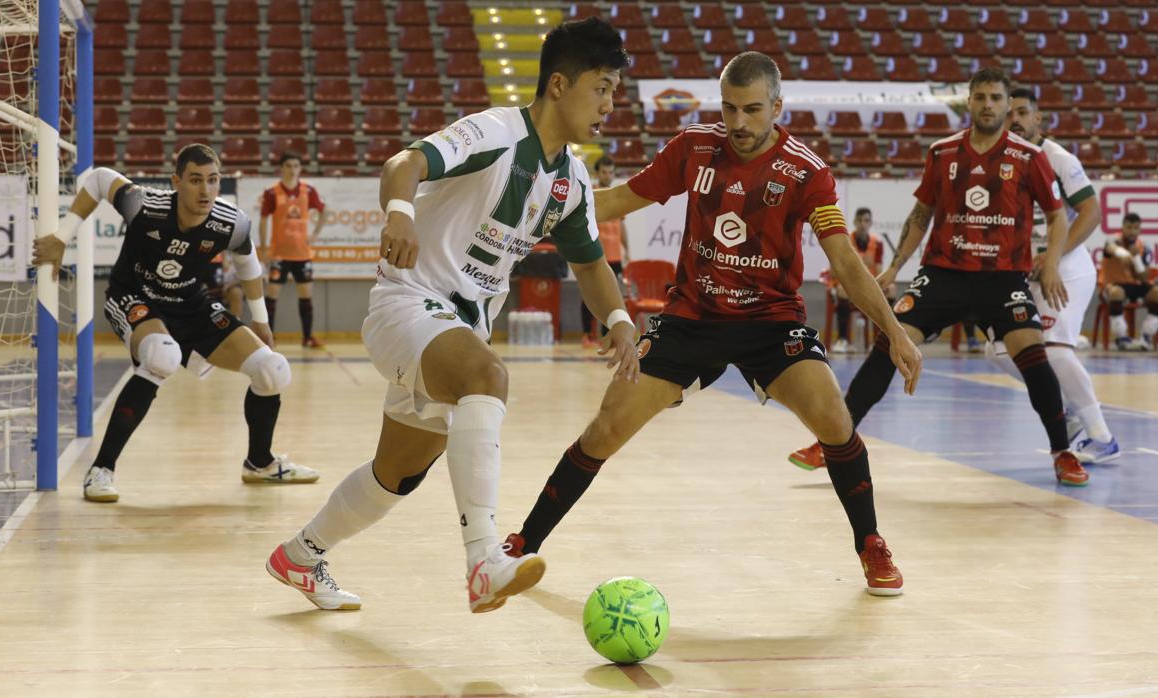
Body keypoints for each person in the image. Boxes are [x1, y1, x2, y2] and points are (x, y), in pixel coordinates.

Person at [506, 52, 922, 597]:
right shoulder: (694, 147)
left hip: (771, 323)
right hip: (690, 320)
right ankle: (524, 544)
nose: (739, 123)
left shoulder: (807, 171)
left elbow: (844, 261)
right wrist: (540, 209)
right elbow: (620, 199)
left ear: (777, 106)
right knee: (606, 426)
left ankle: (869, 543)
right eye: (729, 109)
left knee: (833, 418)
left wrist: (894, 332)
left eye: (752, 110)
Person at [264, 17, 638, 613]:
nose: (610, 104)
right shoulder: (495, 132)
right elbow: (404, 164)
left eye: (615, 91)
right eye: (602, 88)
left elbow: (591, 265)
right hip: (407, 303)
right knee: (486, 377)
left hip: (455, 328)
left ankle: (300, 556)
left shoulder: (572, 179)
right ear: (561, 85)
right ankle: (484, 561)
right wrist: (398, 214)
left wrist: (619, 321)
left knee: (397, 475)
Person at [790, 69, 1089, 486]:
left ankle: (1063, 451)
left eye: (995, 98)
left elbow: (1058, 217)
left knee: (1035, 358)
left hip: (1003, 279)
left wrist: (1052, 261)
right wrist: (895, 267)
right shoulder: (942, 152)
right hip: (944, 275)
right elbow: (921, 214)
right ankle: (833, 443)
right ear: (969, 102)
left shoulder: (1028, 156)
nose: (988, 104)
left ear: (1006, 105)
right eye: (980, 97)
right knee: (890, 342)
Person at [32, 144, 319, 503]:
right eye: (195, 180)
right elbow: (99, 178)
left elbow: (248, 261)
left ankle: (259, 463)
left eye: (212, 181)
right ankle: (101, 470)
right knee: (161, 356)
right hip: (134, 297)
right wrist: (62, 237)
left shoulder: (231, 221)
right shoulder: (145, 205)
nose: (205, 190)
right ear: (176, 182)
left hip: (190, 303)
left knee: (273, 370)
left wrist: (260, 320)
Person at [985, 87, 1119, 464]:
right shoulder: (999, 160)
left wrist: (1054, 259)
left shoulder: (1058, 158)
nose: (1016, 120)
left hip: (1067, 268)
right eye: (1009, 114)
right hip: (1027, 270)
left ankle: (1101, 437)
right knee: (997, 350)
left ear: (1038, 118)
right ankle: (1066, 408)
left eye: (1023, 113)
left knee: (1056, 352)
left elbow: (1091, 213)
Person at [260, 152, 327, 348]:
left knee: (306, 295)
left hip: (302, 254)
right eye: (288, 165)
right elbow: (263, 221)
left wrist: (314, 235)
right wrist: (264, 249)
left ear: (300, 168)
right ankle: (268, 337)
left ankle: (307, 337)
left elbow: (324, 212)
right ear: (282, 168)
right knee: (271, 295)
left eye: (296, 165)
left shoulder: (308, 190)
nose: (292, 169)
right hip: (279, 254)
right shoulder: (272, 193)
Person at [826, 206, 895, 354]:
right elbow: (833, 272)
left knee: (892, 289)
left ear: (870, 223)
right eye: (860, 220)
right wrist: (856, 264)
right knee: (842, 291)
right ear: (854, 222)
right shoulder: (844, 241)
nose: (863, 224)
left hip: (867, 285)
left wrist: (879, 283)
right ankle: (843, 339)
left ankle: (884, 338)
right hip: (846, 284)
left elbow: (879, 271)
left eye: (866, 220)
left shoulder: (877, 243)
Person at [1100, 213, 1158, 352]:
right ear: (1123, 227)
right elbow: (1110, 248)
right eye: (1129, 227)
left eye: (1135, 228)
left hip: (1134, 284)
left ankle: (1146, 335)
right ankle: (1121, 338)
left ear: (1140, 230)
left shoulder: (1144, 247)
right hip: (1114, 284)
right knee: (1116, 293)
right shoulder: (1114, 240)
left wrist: (1136, 258)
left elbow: (1143, 276)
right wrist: (1123, 253)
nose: (1132, 231)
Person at [581, 155, 628, 347]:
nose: (608, 175)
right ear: (597, 173)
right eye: (604, 172)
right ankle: (586, 335)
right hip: (594, 254)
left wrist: (628, 249)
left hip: (615, 255)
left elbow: (622, 226)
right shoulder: (590, 194)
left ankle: (606, 335)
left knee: (612, 295)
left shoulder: (617, 196)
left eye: (611, 172)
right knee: (589, 295)